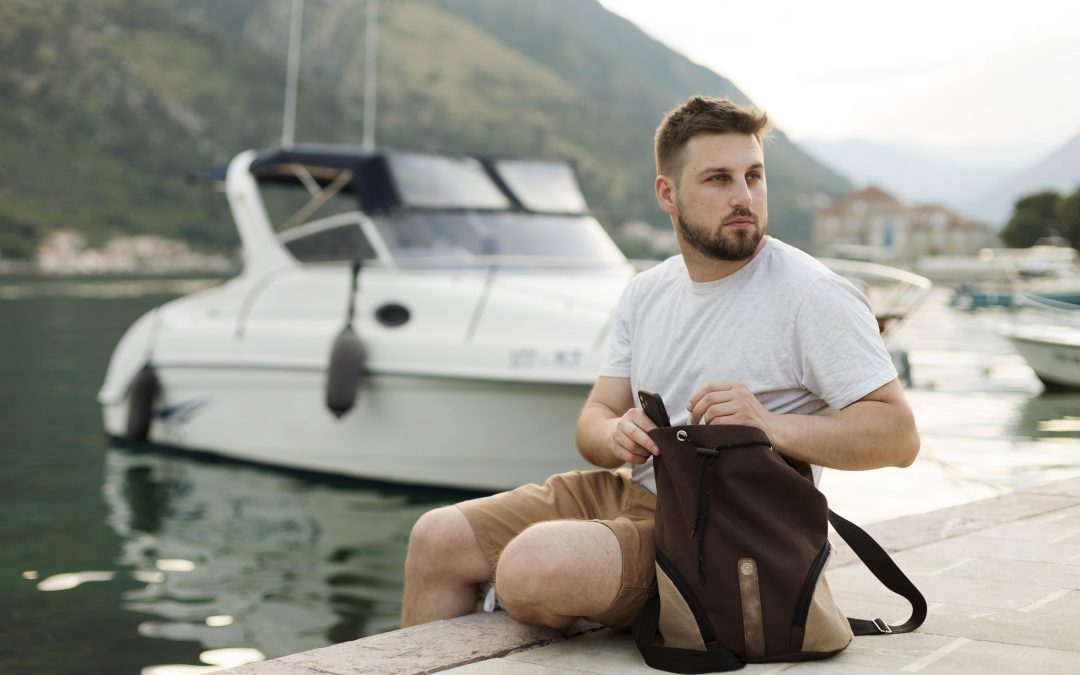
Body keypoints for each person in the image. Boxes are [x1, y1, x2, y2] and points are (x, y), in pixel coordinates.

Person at [400, 95, 920, 632]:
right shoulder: (646, 293)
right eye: (718, 179)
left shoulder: (812, 295)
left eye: (754, 176)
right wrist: (615, 433)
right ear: (667, 194)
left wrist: (768, 425)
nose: (744, 197)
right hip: (635, 491)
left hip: (726, 529)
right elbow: (594, 418)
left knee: (534, 565)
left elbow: (899, 436)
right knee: (436, 538)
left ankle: (623, 597)